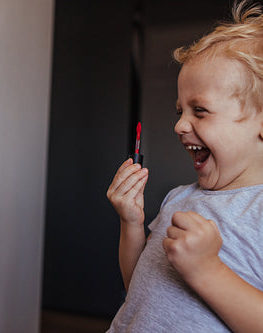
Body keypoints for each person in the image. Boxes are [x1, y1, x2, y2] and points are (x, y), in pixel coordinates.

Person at [106, 1, 263, 332]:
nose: (180, 125)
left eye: (200, 110)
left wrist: (208, 270)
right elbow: (141, 288)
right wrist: (131, 223)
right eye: (181, 111)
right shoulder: (178, 198)